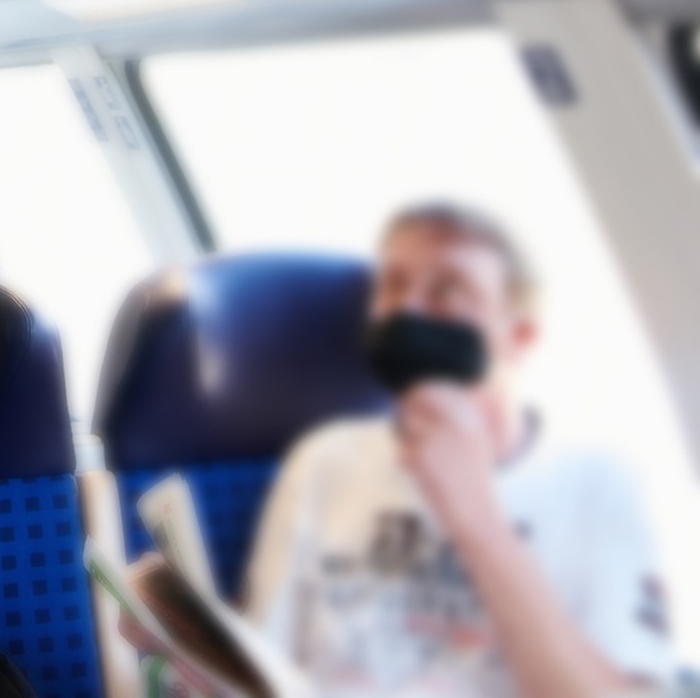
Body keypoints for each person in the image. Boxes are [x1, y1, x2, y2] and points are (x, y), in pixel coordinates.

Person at [139, 202, 677, 697]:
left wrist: (477, 519)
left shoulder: (598, 484)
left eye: (448, 292)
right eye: (394, 288)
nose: (410, 312)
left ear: (521, 337)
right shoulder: (325, 460)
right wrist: (185, 644)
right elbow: (268, 666)